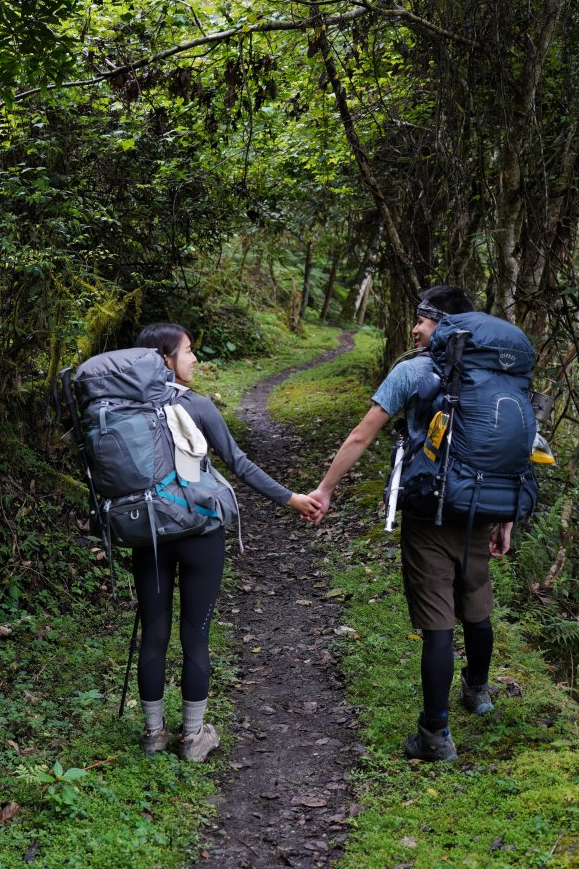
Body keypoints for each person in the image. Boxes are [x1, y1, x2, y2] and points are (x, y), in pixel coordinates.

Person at [308, 285, 513, 762]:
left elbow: (363, 434)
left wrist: (325, 489)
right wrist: (505, 515)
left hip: (427, 511)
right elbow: (508, 451)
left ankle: (435, 735)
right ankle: (478, 692)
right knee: (477, 603)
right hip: (480, 509)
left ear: (444, 325)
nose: (416, 329)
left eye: (423, 321)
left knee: (438, 622)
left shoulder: (412, 371)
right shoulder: (494, 375)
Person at [133, 322, 320, 760]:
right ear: (166, 359)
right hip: (199, 532)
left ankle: (152, 734)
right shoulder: (195, 405)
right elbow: (237, 462)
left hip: (149, 535)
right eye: (188, 350)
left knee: (154, 634)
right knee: (195, 635)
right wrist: (290, 498)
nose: (194, 359)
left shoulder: (125, 409)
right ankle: (193, 737)